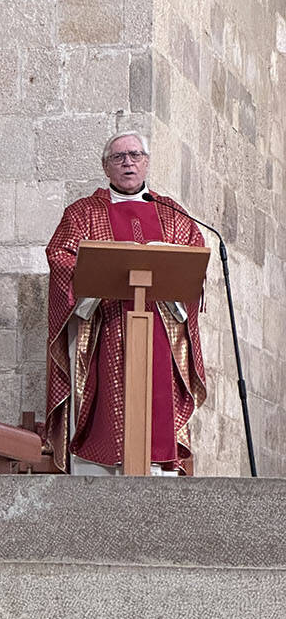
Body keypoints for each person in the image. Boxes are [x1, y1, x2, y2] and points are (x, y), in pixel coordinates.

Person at [44, 130, 207, 475]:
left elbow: (195, 260)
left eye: (135, 155)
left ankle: (159, 466)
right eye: (118, 157)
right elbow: (60, 256)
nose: (128, 162)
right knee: (104, 407)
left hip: (160, 332)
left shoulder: (172, 213)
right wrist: (95, 280)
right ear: (105, 167)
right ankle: (98, 472)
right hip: (103, 328)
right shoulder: (83, 213)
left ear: (147, 162)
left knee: (157, 408)